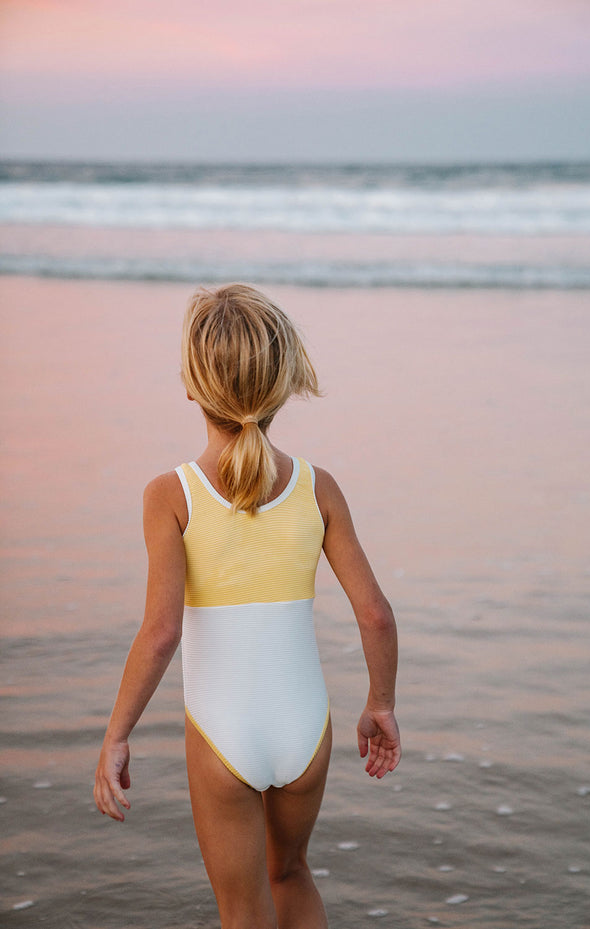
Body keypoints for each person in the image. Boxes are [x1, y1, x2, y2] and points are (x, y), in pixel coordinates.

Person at [94, 283, 401, 928]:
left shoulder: (170, 495)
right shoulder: (320, 489)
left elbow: (160, 633)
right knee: (289, 874)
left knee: (243, 913)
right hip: (305, 727)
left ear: (191, 386)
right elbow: (375, 613)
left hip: (223, 732)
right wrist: (380, 704)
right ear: (284, 384)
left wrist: (117, 734)